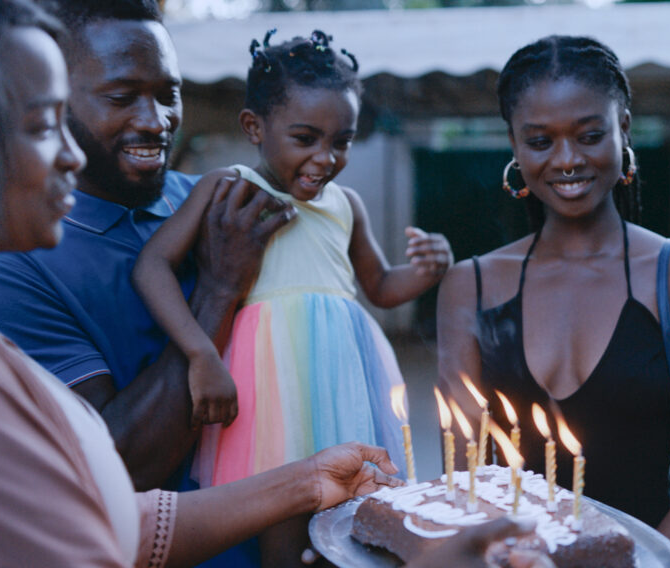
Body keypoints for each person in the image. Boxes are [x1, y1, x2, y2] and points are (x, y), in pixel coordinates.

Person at [0, 2, 555, 566]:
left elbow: (121, 519)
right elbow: (108, 484)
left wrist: (308, 480)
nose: (155, 121)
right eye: (121, 96)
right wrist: (218, 291)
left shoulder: (224, 200)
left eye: (169, 94)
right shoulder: (12, 274)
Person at [130, 28, 452, 566]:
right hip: (266, 385)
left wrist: (428, 270)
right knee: (280, 512)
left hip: (344, 380)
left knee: (351, 508)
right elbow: (152, 266)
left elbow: (380, 287)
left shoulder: (346, 204)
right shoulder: (227, 188)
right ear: (254, 127)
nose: (325, 158)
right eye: (306, 139)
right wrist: (200, 354)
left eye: (342, 141)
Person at [436, 35, 670, 564]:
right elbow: (464, 479)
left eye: (590, 135)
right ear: (514, 144)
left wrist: (641, 564)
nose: (567, 159)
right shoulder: (471, 286)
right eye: (540, 141)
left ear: (624, 127)